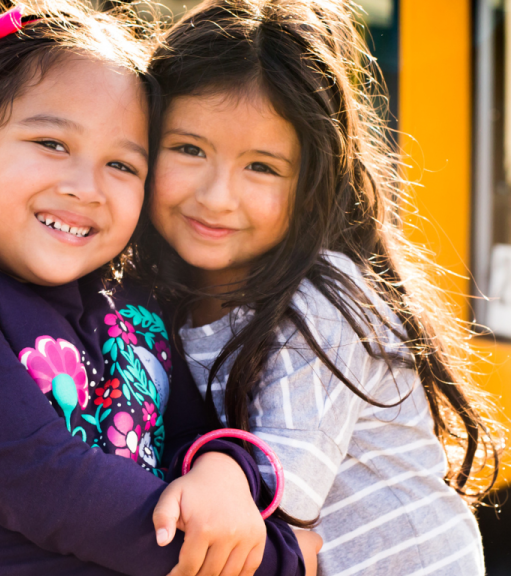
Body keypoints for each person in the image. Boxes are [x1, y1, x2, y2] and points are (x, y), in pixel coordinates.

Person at [0, 2, 318, 576]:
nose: (86, 187)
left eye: (123, 165)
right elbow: (46, 484)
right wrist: (273, 560)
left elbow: (192, 433)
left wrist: (222, 471)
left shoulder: (133, 304)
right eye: (52, 144)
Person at [136, 0, 501, 574]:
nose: (216, 195)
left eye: (261, 167)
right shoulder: (158, 299)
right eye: (189, 149)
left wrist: (221, 471)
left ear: (312, 181)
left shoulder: (323, 298)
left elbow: (289, 475)